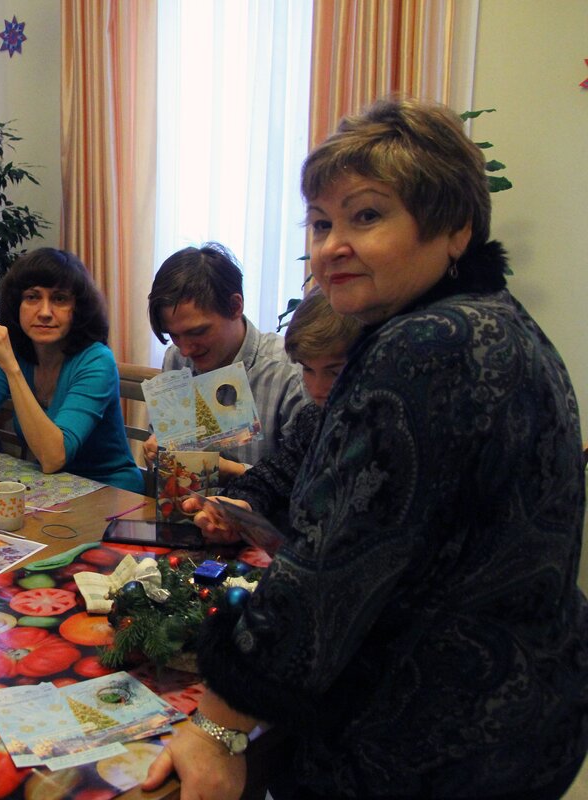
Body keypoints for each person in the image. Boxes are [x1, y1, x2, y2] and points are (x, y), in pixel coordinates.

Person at [143, 98, 588, 800]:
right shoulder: (496, 324)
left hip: (434, 744)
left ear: (455, 228)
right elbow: (308, 467)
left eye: (367, 215)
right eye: (321, 222)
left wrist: (219, 728)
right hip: (527, 713)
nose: (330, 245)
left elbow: (330, 569)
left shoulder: (426, 347)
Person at [0, 248, 143, 493]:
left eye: (59, 299)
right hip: (52, 489)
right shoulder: (17, 354)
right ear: (17, 305)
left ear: (77, 309)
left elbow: (53, 457)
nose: (44, 313)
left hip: (110, 491)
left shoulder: (96, 361)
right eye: (33, 297)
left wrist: (12, 369)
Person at [187, 285, 361, 537]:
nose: (318, 388)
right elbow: (272, 476)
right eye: (308, 369)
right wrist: (240, 507)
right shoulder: (315, 418)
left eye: (334, 372)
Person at [143, 243, 306, 473]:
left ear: (235, 306)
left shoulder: (288, 373)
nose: (186, 350)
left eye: (197, 332)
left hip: (257, 508)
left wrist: (219, 468)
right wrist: (158, 446)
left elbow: (300, 484)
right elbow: (171, 465)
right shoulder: (177, 360)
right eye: (174, 336)